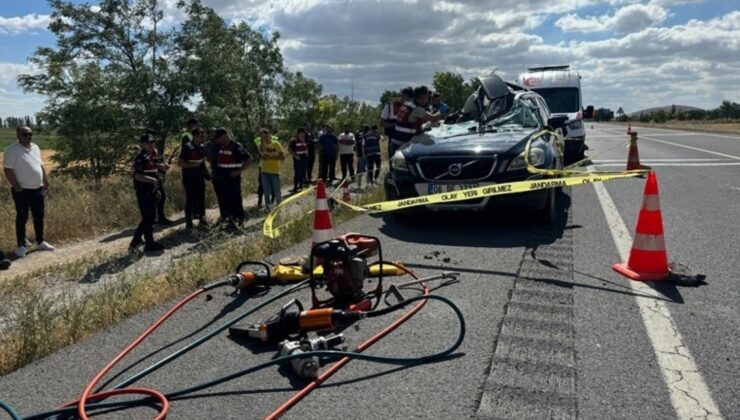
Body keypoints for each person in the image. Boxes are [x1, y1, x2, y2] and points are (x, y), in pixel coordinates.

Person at [3, 126, 54, 258]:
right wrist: (17, 186)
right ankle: (21, 246)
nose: (28, 137)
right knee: (22, 217)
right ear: (18, 135)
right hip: (22, 191)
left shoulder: (35, 148)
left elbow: (40, 165)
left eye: (30, 134)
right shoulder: (12, 150)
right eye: (25, 134)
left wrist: (46, 182)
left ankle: (40, 241)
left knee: (39, 216)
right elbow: (8, 170)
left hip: (37, 189)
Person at [129, 133, 165, 252]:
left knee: (150, 218)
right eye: (147, 143)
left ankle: (143, 241)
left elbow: (153, 170)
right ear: (142, 144)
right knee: (148, 218)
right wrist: (152, 180)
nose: (150, 144)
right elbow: (137, 175)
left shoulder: (150, 157)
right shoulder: (141, 157)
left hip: (152, 191)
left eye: (152, 142)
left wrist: (161, 167)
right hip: (144, 192)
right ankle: (140, 242)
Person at [212, 128, 252, 228]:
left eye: (219, 138)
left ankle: (239, 222)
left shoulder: (236, 146)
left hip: (232, 178)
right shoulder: (221, 146)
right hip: (222, 178)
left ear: (225, 136)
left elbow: (249, 159)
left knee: (235, 200)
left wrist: (239, 171)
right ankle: (230, 221)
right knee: (226, 201)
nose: (218, 140)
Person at [392, 85, 442, 156]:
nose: (427, 100)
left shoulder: (408, 104)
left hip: (395, 141)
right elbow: (433, 119)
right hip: (402, 145)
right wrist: (440, 111)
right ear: (423, 96)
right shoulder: (417, 109)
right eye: (427, 97)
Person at [178, 126, 210, 229]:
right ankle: (189, 223)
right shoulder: (187, 147)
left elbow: (202, 162)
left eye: (204, 136)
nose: (203, 138)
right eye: (201, 136)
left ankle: (202, 220)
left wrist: (207, 174)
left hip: (199, 176)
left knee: (201, 198)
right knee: (190, 199)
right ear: (195, 136)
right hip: (189, 178)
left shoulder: (201, 147)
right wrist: (192, 166)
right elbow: (180, 163)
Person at [148, 132, 173, 226]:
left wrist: (164, 164)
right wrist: (161, 166)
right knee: (159, 197)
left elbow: (159, 160)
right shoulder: (147, 151)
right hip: (150, 177)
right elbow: (150, 163)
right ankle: (157, 218)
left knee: (160, 197)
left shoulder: (155, 149)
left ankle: (157, 218)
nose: (155, 140)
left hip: (157, 175)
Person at [380, 87, 413, 156]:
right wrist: (394, 125)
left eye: (410, 97)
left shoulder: (413, 108)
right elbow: (382, 123)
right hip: (394, 141)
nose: (409, 99)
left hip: (410, 141)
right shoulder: (390, 106)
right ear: (402, 95)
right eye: (407, 96)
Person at [259, 127, 285, 210]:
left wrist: (271, 157)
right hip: (264, 171)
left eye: (266, 136)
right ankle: (268, 208)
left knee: (277, 191)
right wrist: (274, 156)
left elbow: (282, 157)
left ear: (270, 135)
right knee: (266, 192)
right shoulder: (261, 145)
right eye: (263, 137)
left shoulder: (276, 144)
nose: (265, 138)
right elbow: (263, 155)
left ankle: (279, 208)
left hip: (274, 171)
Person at [288, 127, 309, 192]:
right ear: (298, 133)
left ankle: (301, 185)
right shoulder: (294, 140)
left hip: (304, 158)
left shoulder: (304, 140)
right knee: (297, 173)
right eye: (302, 133)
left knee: (303, 172)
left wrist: (307, 153)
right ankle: (295, 187)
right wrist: (295, 156)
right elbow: (290, 149)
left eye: (304, 133)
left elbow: (305, 148)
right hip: (298, 159)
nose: (303, 134)